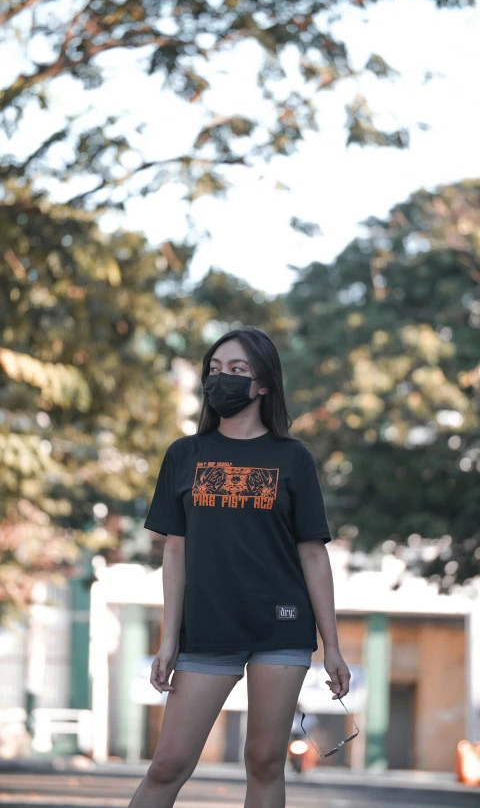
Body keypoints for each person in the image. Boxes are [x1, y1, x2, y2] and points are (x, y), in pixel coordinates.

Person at [128, 325, 351, 808]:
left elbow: (313, 553)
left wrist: (332, 646)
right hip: (207, 629)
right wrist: (168, 640)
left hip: (280, 628)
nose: (221, 378)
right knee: (168, 765)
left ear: (264, 383)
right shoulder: (185, 454)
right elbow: (174, 550)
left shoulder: (293, 458)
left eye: (237, 370)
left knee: (266, 761)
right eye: (214, 369)